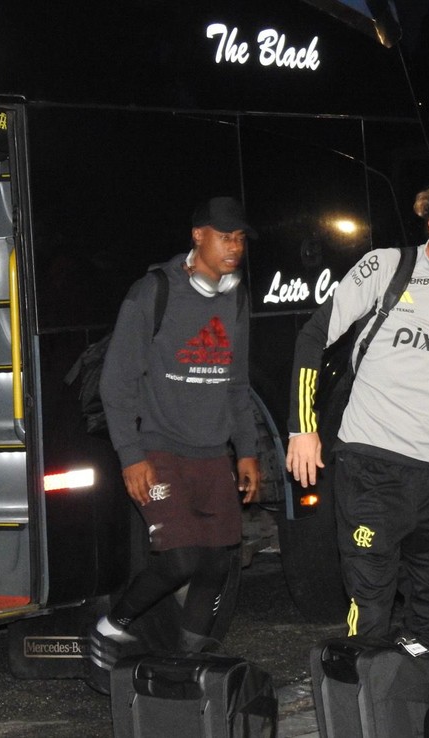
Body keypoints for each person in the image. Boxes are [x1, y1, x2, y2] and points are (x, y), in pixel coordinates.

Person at [286, 178, 429, 663]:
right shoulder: (388, 265)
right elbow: (313, 336)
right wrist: (302, 428)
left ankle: (428, 704)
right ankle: (367, 707)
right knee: (372, 608)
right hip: (372, 466)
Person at [90, 196, 262, 677]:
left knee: (215, 564)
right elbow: (116, 381)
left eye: (241, 238)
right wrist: (131, 455)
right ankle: (111, 626)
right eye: (225, 237)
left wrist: (246, 451)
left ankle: (188, 663)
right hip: (160, 447)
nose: (235, 247)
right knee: (180, 559)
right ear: (198, 235)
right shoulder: (153, 291)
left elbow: (237, 381)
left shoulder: (238, 297)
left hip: (212, 451)